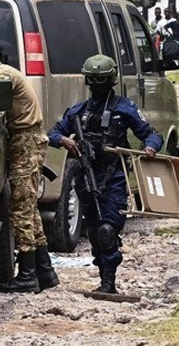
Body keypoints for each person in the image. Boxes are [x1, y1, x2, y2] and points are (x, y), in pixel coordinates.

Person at [48, 54, 163, 294]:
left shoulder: (125, 108)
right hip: (86, 179)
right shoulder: (79, 112)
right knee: (93, 231)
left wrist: (149, 148)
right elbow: (53, 133)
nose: (97, 85)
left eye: (101, 80)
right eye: (93, 80)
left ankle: (109, 283)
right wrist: (65, 142)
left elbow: (151, 134)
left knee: (107, 230)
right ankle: (103, 277)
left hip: (113, 178)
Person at [0, 38, 59, 294]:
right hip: (24, 139)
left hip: (25, 140)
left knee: (20, 208)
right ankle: (44, 270)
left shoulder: (1, 76)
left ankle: (28, 274)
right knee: (29, 207)